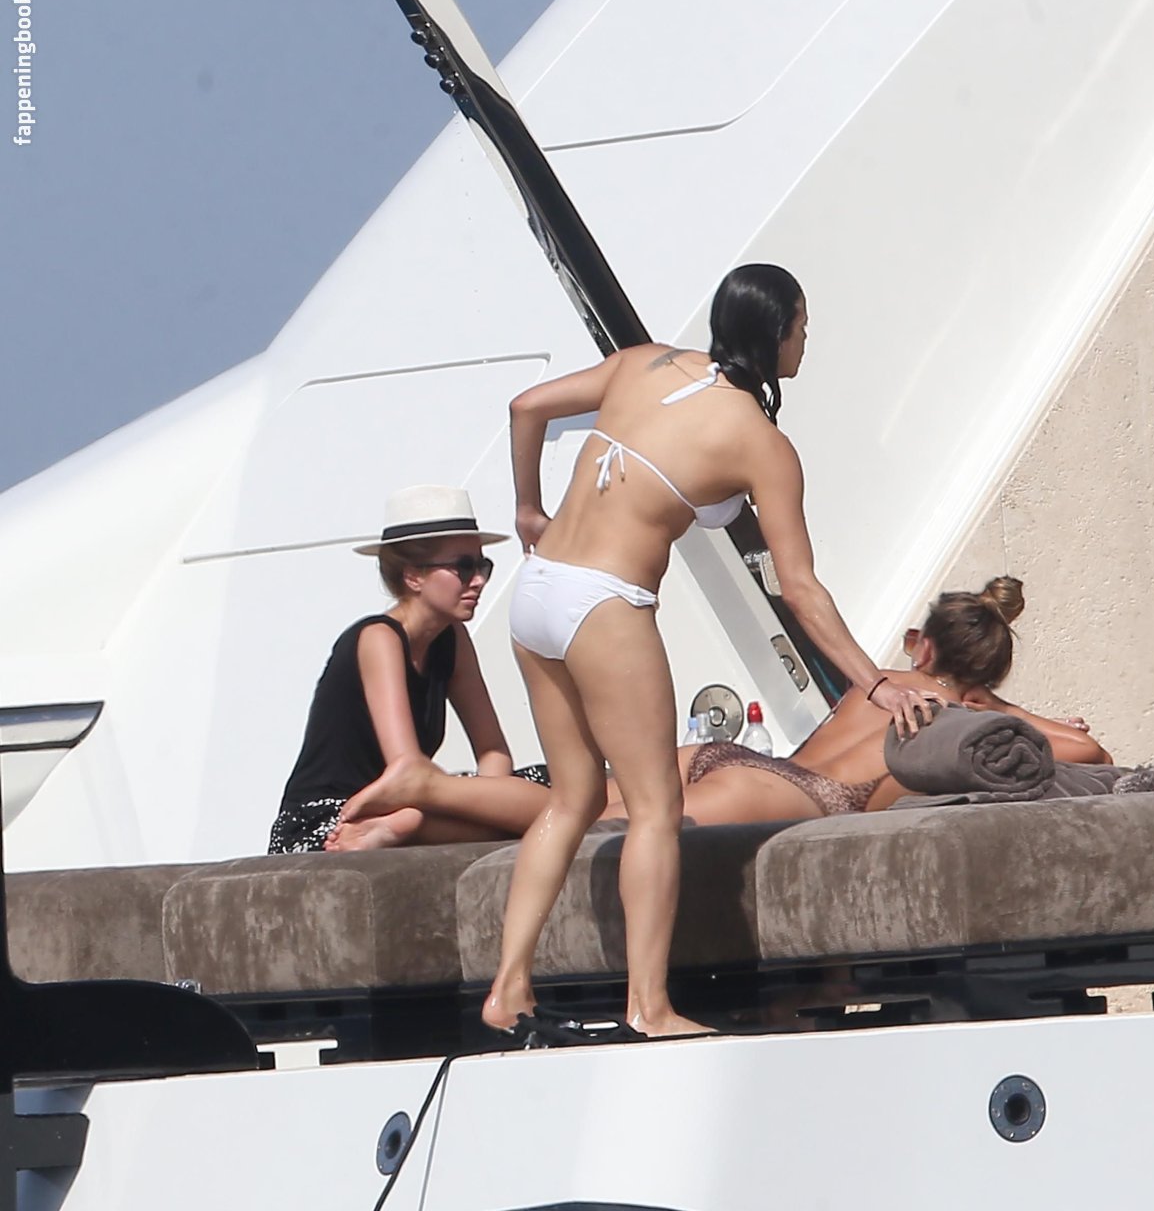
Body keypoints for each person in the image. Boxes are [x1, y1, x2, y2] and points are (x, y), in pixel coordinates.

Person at [484, 264, 940, 1039]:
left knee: (572, 798)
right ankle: (649, 1007)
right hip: (604, 604)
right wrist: (876, 684)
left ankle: (508, 987)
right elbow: (799, 589)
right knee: (656, 809)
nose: (806, 339)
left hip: (537, 590)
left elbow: (525, 407)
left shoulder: (643, 362)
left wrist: (528, 507)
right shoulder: (762, 444)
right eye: (802, 325)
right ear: (776, 334)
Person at [603, 576, 1110, 825]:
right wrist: (1002, 708)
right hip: (793, 795)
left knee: (574, 814)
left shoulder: (882, 681)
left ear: (922, 646)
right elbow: (1091, 752)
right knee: (619, 833)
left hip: (738, 758)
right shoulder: (961, 723)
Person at [267, 485, 528, 854]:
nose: (479, 580)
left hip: (411, 803)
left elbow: (492, 750)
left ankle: (417, 827)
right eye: (463, 567)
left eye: (482, 566)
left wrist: (493, 806)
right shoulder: (379, 638)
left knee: (561, 788)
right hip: (336, 819)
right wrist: (498, 808)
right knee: (562, 804)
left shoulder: (452, 638)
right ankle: (412, 826)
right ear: (413, 576)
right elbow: (407, 768)